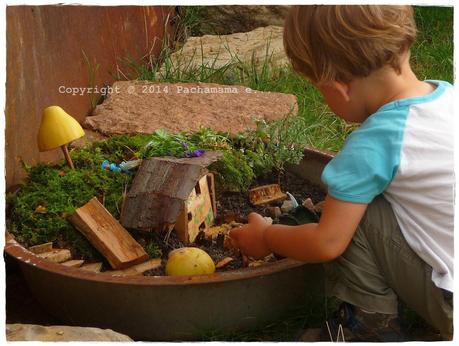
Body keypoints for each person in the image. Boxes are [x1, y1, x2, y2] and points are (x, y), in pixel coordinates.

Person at [229, 5, 453, 341]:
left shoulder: (372, 143)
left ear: (340, 86)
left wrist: (265, 237)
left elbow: (327, 243)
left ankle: (367, 328)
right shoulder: (448, 98)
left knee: (352, 218)